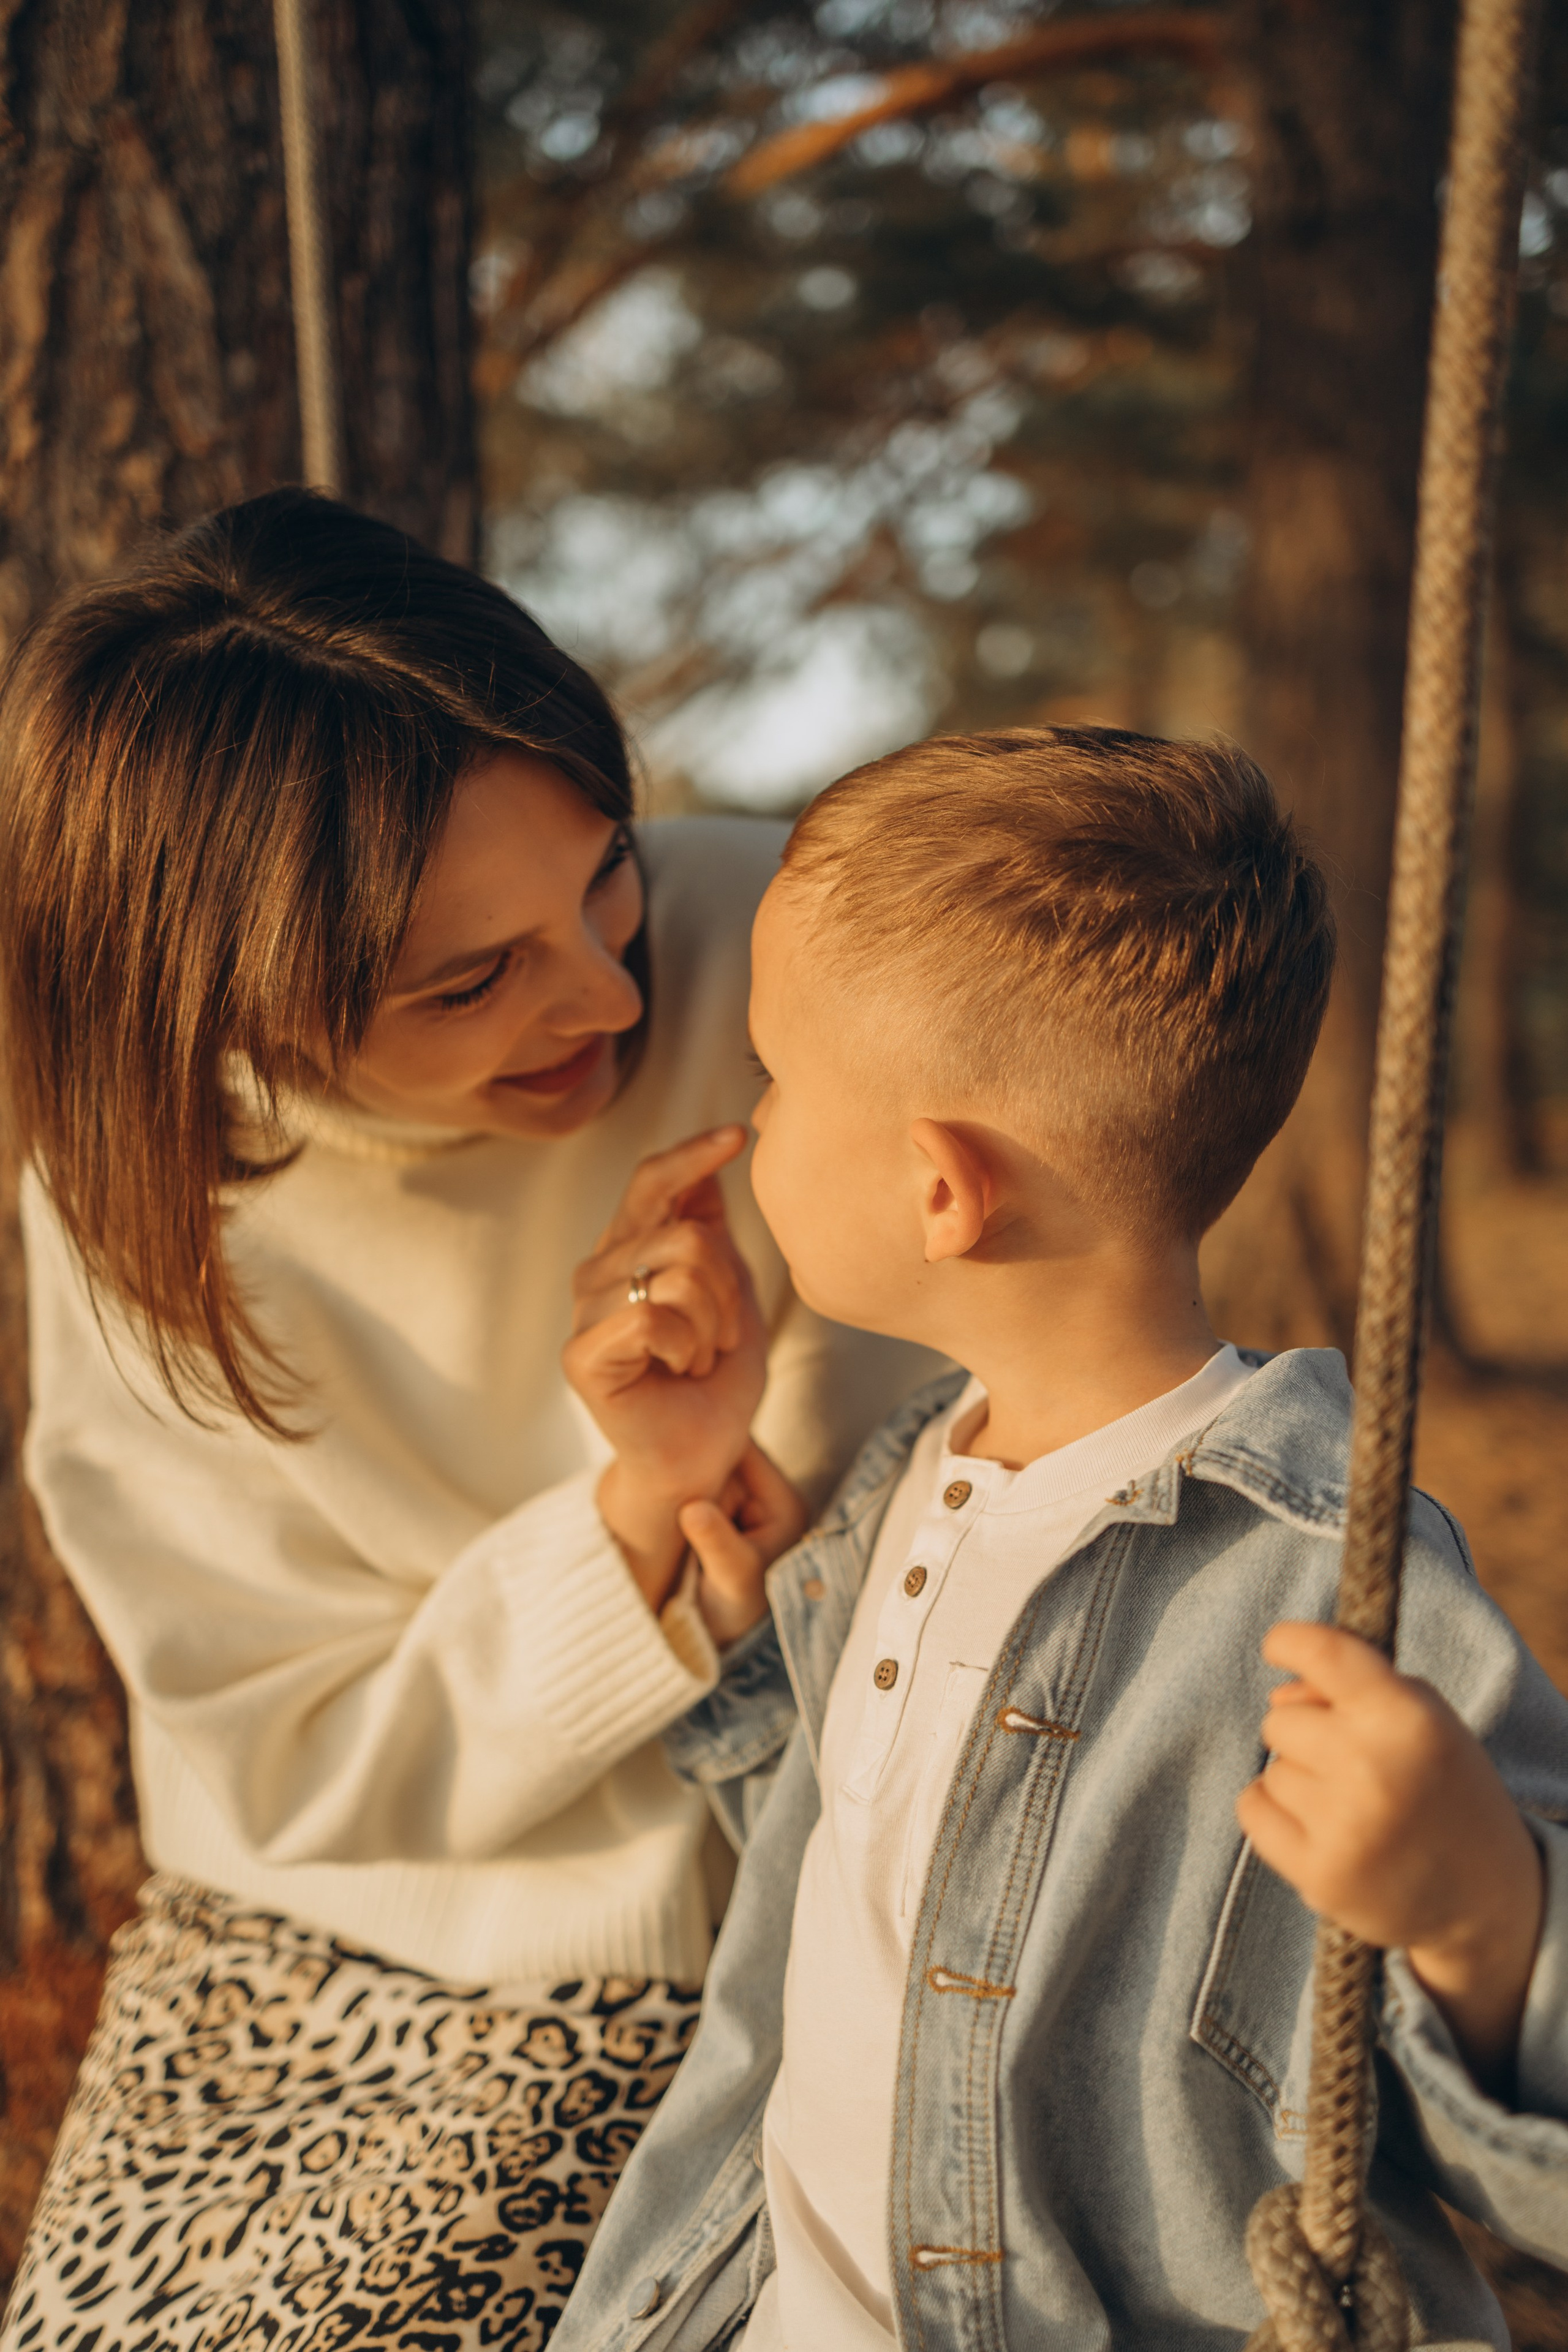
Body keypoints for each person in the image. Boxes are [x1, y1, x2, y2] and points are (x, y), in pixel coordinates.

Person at [0, 489, 932, 2351]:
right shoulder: (133, 1176)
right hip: (289, 1957)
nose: (605, 988)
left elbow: (944, 1593)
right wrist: (634, 1518)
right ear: (225, 1004)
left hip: (730, 1947)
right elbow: (284, 1751)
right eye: (466, 979)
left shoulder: (795, 947)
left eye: (602, 871)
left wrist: (708, 1507)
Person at [556, 726, 1568, 2352]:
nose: (748, 1123)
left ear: (942, 1192)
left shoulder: (1322, 1578)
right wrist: (766, 1679)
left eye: (776, 1077)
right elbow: (898, 1889)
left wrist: (1485, 1922)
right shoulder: (901, 1480)